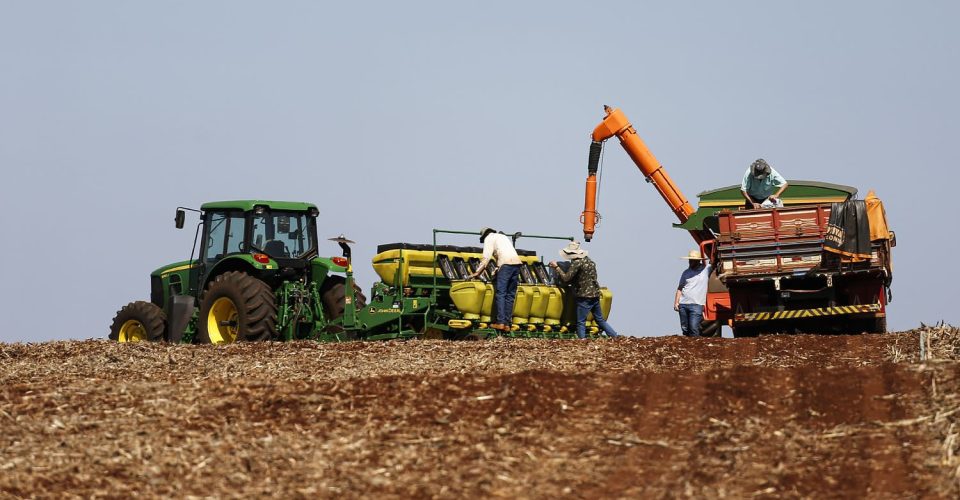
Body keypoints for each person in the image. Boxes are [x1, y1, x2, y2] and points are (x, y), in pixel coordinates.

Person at [549, 241, 619, 340]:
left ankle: (581, 341)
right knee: (599, 319)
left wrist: (556, 267)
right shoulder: (590, 261)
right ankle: (614, 336)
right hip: (595, 294)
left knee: (581, 321)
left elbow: (566, 278)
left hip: (584, 296)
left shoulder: (577, 263)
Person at [468, 227, 523, 331]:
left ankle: (500, 322)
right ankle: (507, 324)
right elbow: (503, 255)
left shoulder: (489, 238)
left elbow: (486, 257)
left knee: (501, 293)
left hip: (506, 265)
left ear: (484, 236)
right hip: (516, 264)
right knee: (510, 295)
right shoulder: (503, 237)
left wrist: (477, 272)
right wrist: (497, 270)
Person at [674, 250, 711, 337]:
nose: (690, 262)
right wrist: (676, 302)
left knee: (694, 328)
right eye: (690, 260)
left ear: (698, 261)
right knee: (685, 329)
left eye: (692, 260)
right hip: (683, 304)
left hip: (697, 305)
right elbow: (680, 288)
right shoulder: (686, 273)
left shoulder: (706, 270)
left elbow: (714, 261)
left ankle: (697, 347)